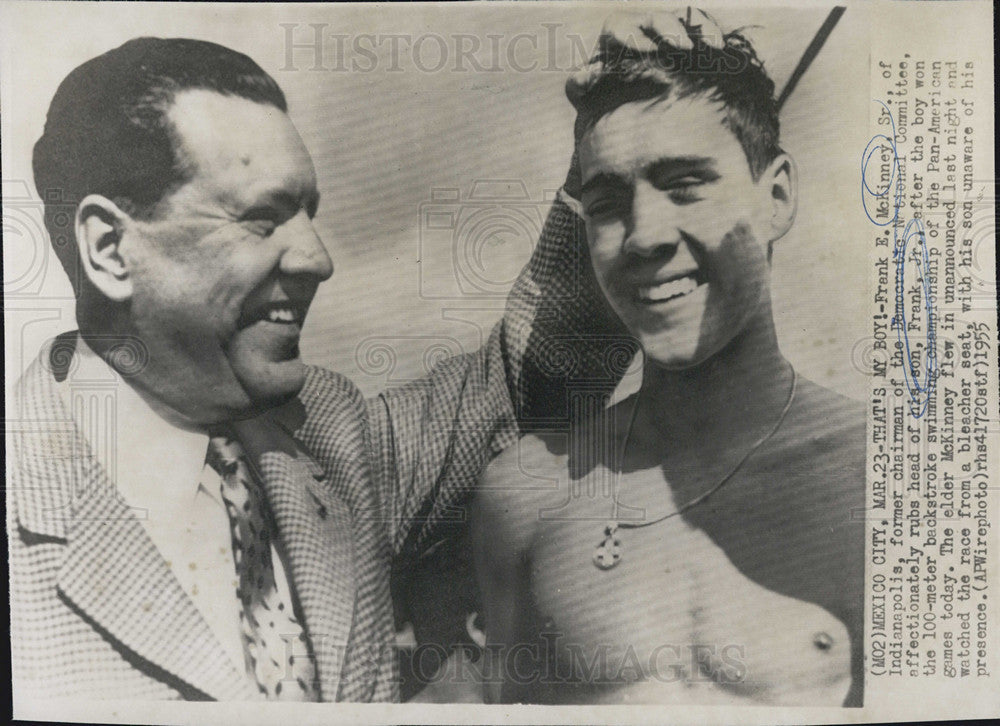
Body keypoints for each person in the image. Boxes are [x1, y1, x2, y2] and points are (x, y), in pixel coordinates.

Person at [7, 36, 623, 702]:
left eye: (310, 216)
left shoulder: (331, 431)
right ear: (110, 247)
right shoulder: (23, 499)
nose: (316, 258)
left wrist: (611, 157)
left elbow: (533, 373)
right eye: (262, 218)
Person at [473, 11, 865, 706]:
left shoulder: (875, 477)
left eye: (686, 185)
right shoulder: (527, 493)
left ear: (776, 199)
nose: (644, 237)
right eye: (608, 203)